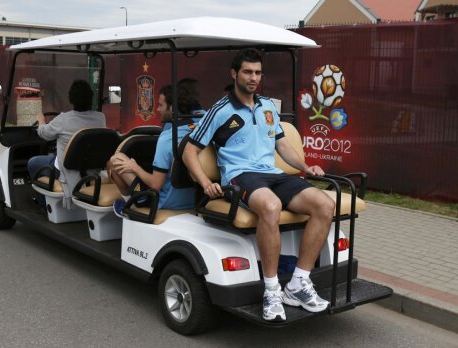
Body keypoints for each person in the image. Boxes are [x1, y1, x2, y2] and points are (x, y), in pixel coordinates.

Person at [182, 48, 334, 322]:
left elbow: (282, 144)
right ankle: (272, 289)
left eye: (258, 72)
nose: (253, 78)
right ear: (234, 74)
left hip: (272, 174)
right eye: (247, 72)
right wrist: (205, 182)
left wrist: (304, 167)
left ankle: (298, 284)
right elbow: (189, 151)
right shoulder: (220, 110)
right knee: (271, 206)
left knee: (325, 204)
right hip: (241, 176)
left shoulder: (267, 107)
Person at [108, 81, 203, 213]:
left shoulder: (167, 138)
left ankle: (129, 204)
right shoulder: (204, 124)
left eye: (160, 105)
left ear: (172, 108)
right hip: (196, 198)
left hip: (166, 202)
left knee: (115, 160)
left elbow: (155, 185)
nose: (158, 109)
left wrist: (134, 167)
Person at [27, 79, 106, 208]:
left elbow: (44, 134)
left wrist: (41, 120)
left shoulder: (63, 119)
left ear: (71, 99)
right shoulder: (100, 118)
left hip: (67, 170)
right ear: (91, 98)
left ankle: (42, 205)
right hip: (91, 170)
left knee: (33, 162)